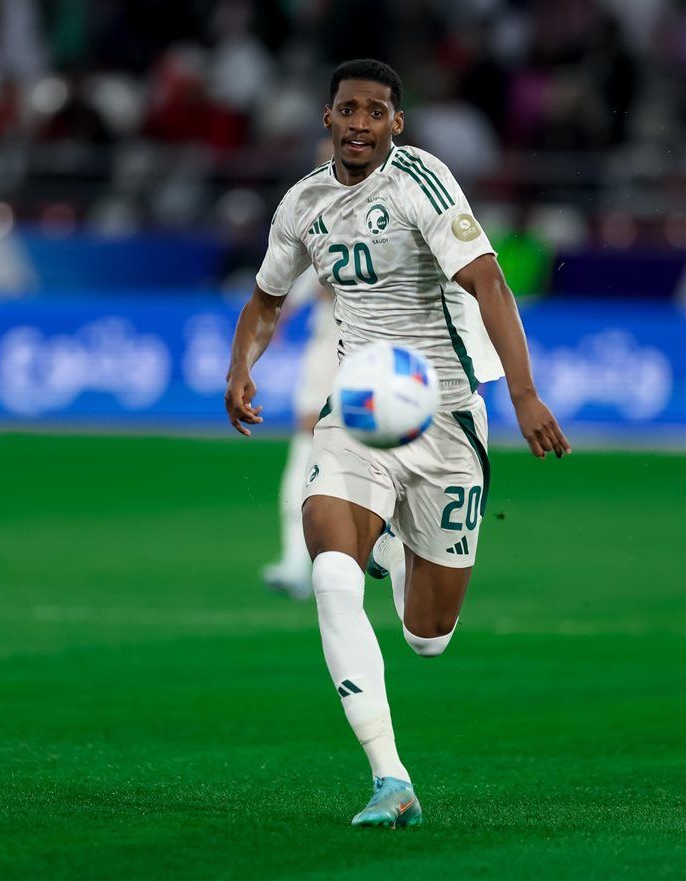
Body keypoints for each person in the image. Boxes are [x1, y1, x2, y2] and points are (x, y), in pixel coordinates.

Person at [225, 60, 570, 827]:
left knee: (427, 637)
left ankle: (392, 545)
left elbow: (489, 281)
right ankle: (391, 777)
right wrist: (239, 367)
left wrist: (522, 394)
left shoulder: (422, 180)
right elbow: (266, 298)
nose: (360, 123)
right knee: (330, 577)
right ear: (327, 117)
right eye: (347, 109)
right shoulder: (303, 204)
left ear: (396, 123)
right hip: (359, 409)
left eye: (374, 112)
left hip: (446, 418)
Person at [259, 270, 336, 600]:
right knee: (307, 446)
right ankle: (296, 561)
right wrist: (278, 316)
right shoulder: (324, 242)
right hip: (331, 349)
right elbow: (293, 292)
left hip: (378, 353)